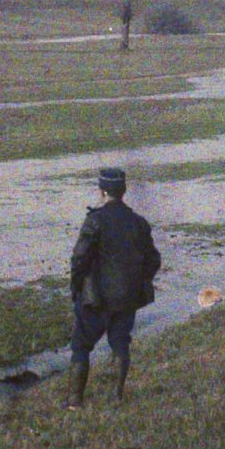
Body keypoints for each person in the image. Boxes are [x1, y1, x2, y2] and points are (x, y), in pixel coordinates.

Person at [66, 167, 161, 409]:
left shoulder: (94, 220)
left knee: (81, 346)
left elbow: (79, 260)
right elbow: (153, 260)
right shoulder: (139, 223)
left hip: (96, 299)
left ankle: (75, 401)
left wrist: (76, 287)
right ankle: (117, 395)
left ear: (102, 192)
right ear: (124, 191)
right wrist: (137, 282)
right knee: (120, 343)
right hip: (127, 298)